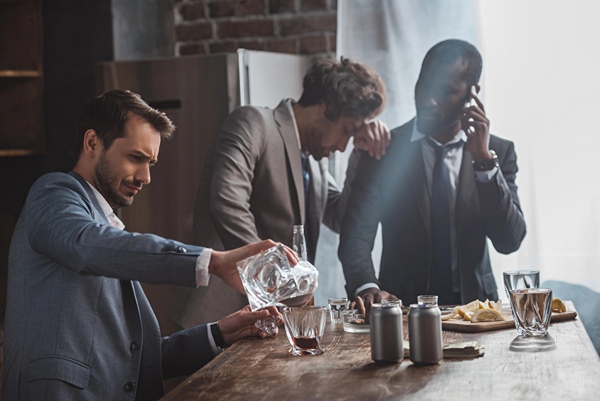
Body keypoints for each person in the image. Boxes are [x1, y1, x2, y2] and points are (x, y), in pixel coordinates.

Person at [2, 89, 296, 401]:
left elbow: (137, 361)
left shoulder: (108, 231)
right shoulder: (53, 194)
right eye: (135, 158)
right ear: (92, 143)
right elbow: (86, 246)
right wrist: (213, 261)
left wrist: (220, 332)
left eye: (151, 163)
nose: (145, 176)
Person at [169, 57, 389, 327]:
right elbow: (227, 203)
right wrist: (281, 282)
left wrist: (361, 157)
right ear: (326, 107)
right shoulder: (253, 122)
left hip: (268, 326)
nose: (343, 146)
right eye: (347, 131)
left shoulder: (315, 167)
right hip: (216, 317)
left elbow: (343, 219)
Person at [338, 39, 527, 307]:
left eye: (444, 90)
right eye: (423, 84)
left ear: (472, 93)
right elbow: (356, 233)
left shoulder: (497, 152)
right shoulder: (384, 151)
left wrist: (483, 161)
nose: (428, 100)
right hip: (400, 311)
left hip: (476, 312)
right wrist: (367, 286)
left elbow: (509, 241)